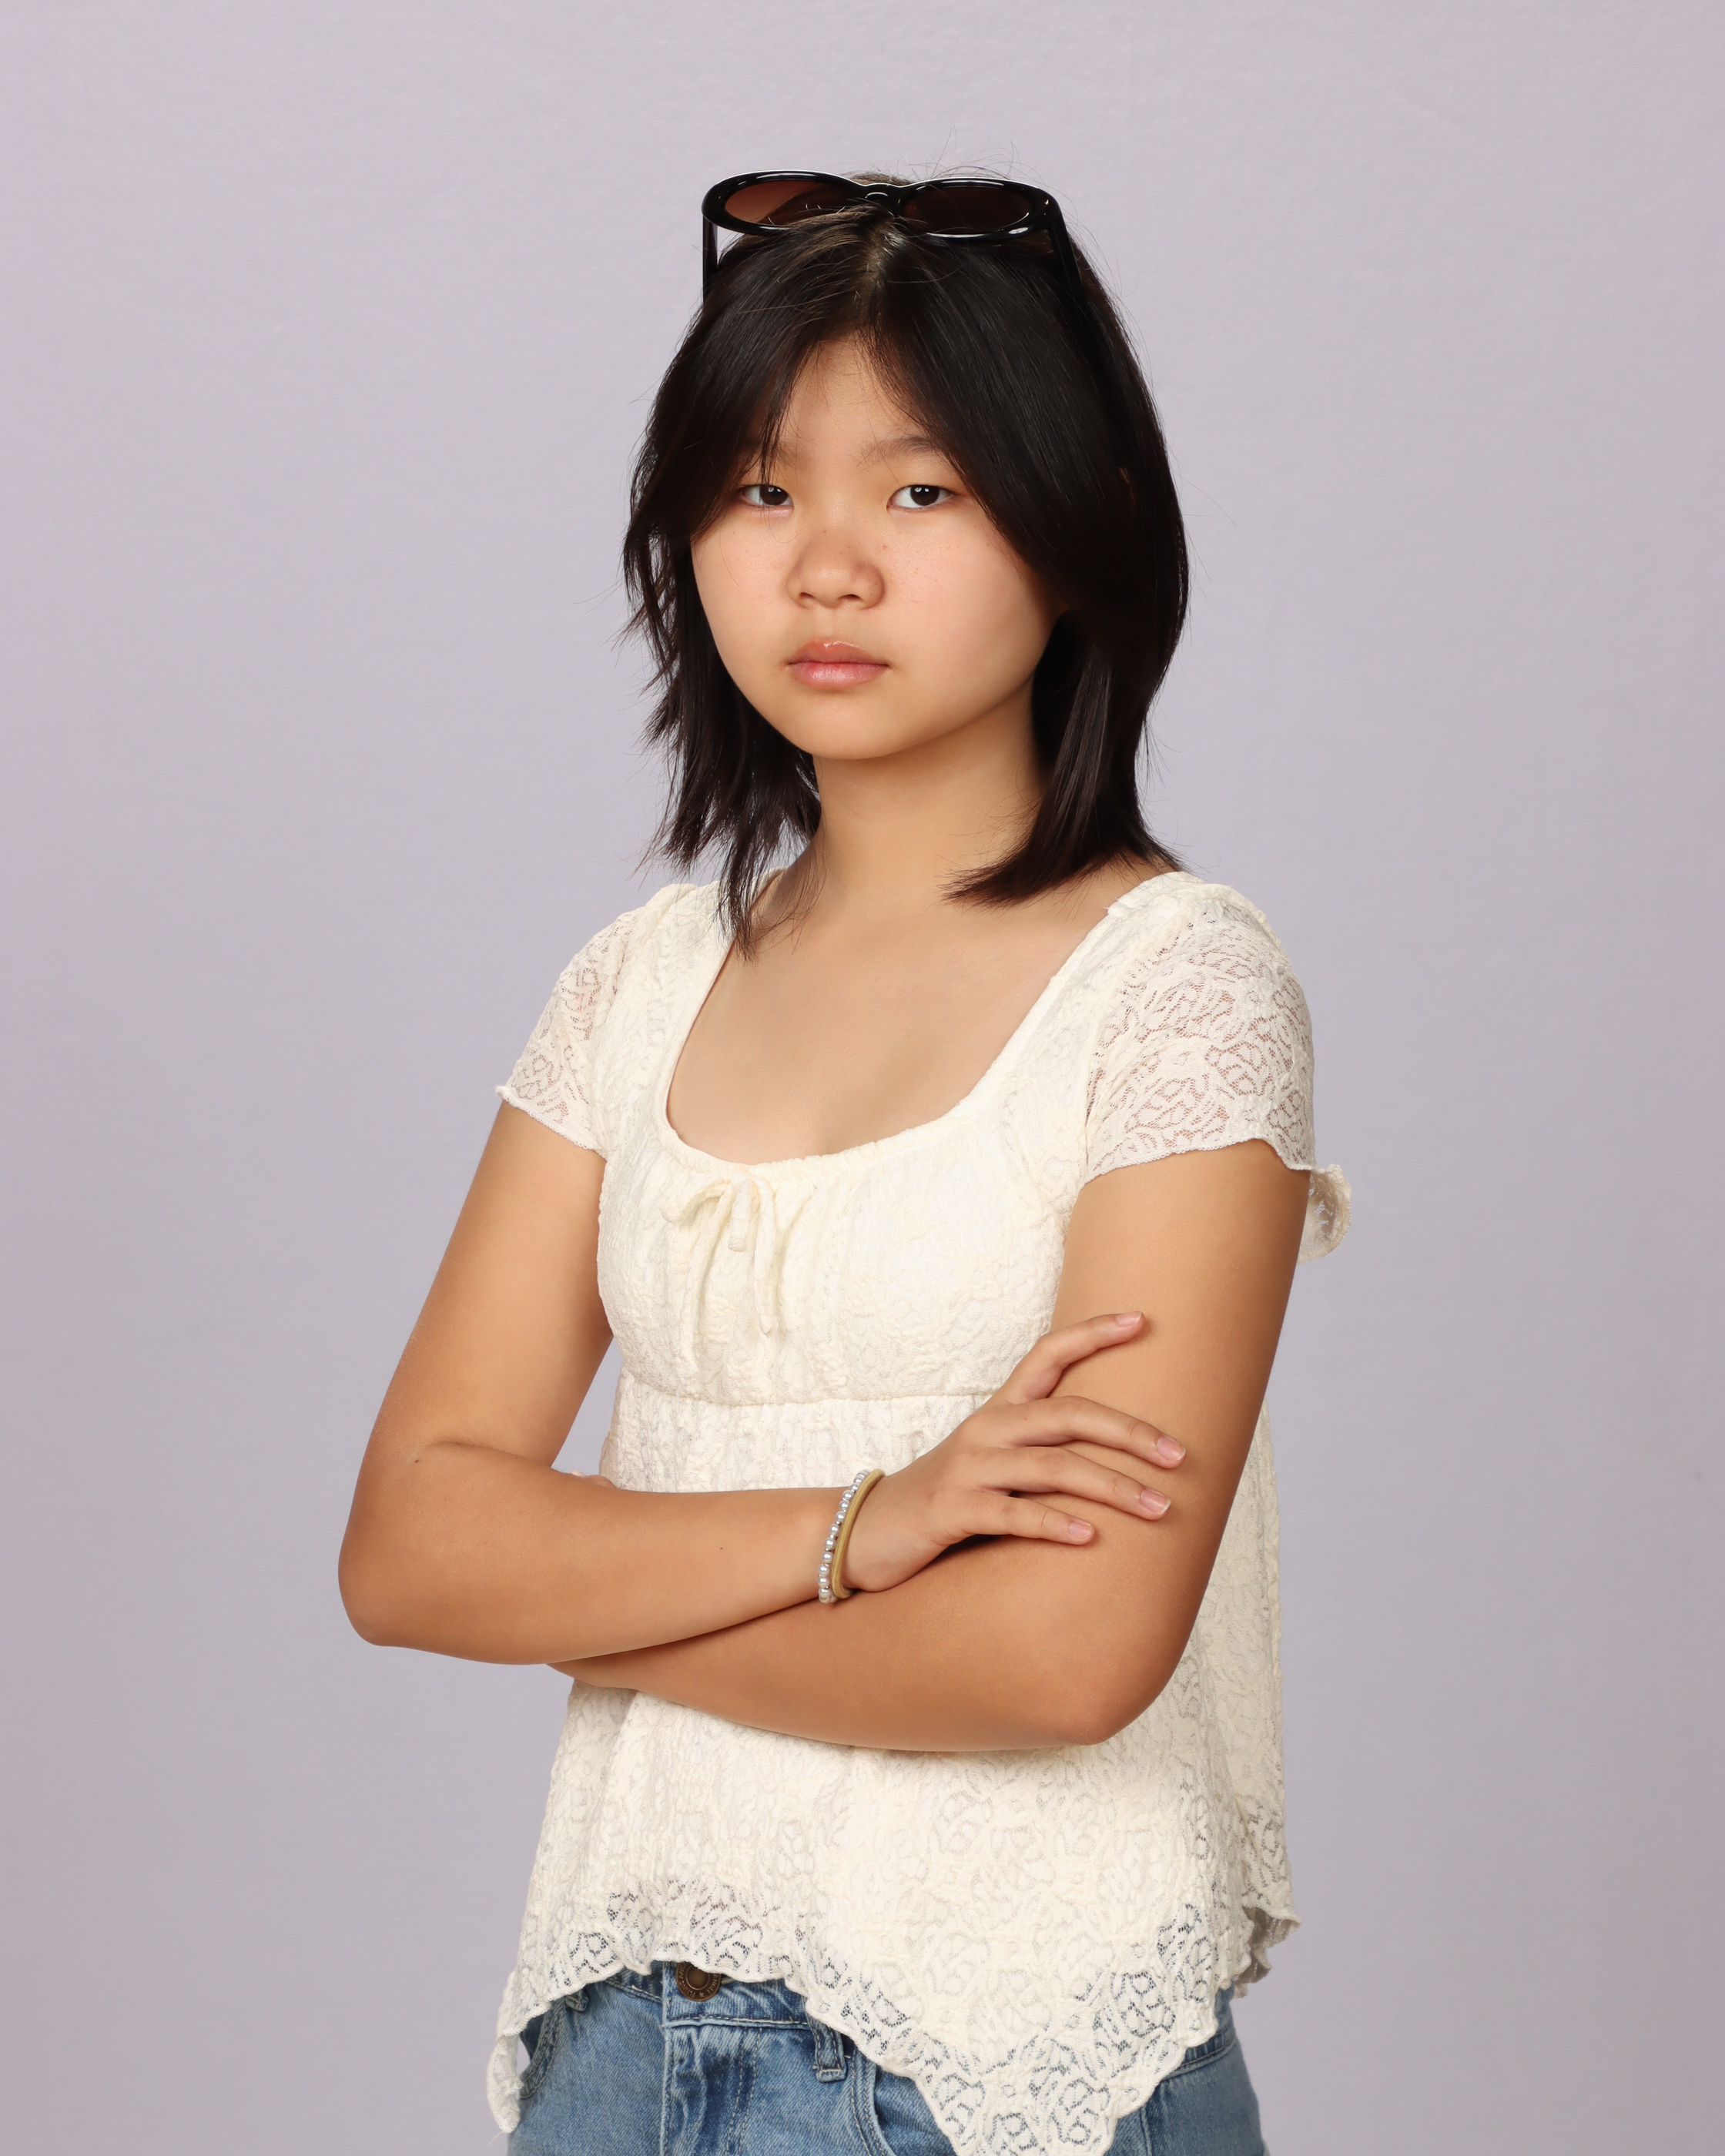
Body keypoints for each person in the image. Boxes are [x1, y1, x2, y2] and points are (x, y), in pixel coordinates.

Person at [338, 169, 1349, 2156]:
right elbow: (408, 1545)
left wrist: (588, 1592)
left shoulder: (1177, 990)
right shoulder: (636, 986)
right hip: (614, 2052)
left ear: (1076, 525)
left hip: (1002, 2079)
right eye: (759, 487)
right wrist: (869, 1528)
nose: (825, 567)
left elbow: (1065, 1653)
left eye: (922, 489)